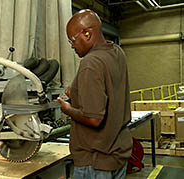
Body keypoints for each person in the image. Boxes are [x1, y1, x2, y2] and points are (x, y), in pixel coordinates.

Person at [57, 9, 133, 179]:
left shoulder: (90, 63)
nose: (71, 46)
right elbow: (107, 84)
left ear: (87, 34)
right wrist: (76, 89)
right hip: (118, 153)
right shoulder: (116, 52)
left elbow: (94, 119)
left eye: (72, 40)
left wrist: (67, 108)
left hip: (95, 162)